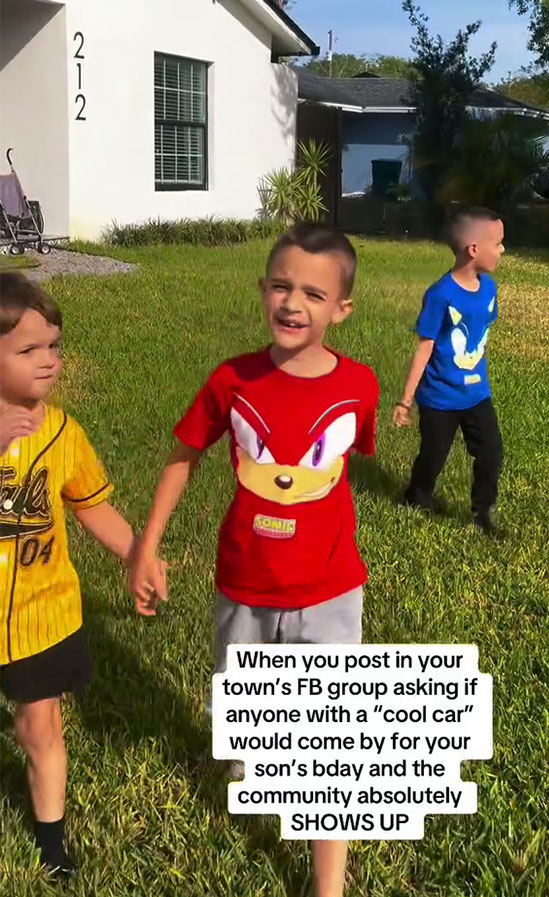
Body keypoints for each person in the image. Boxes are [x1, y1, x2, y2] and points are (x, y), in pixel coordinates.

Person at [129, 223, 379, 897]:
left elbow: (347, 464)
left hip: (331, 588)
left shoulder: (359, 386)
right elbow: (184, 456)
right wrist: (146, 545)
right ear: (262, 289)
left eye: (313, 293)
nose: (293, 303)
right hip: (243, 585)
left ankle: (329, 882)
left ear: (341, 309)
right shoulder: (231, 379)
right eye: (281, 285)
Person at [0, 272, 148, 878]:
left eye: (54, 346)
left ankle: (52, 843)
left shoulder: (62, 433)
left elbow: (91, 504)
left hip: (42, 613)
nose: (48, 362)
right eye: (28, 350)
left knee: (41, 726)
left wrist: (138, 552)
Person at [393, 207, 506, 536]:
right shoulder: (440, 294)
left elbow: (479, 337)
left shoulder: (489, 290)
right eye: (497, 243)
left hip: (476, 395)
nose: (502, 250)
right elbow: (425, 347)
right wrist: (405, 401)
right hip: (439, 398)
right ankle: (417, 495)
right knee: (433, 455)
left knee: (491, 452)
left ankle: (483, 512)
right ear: (474, 249)